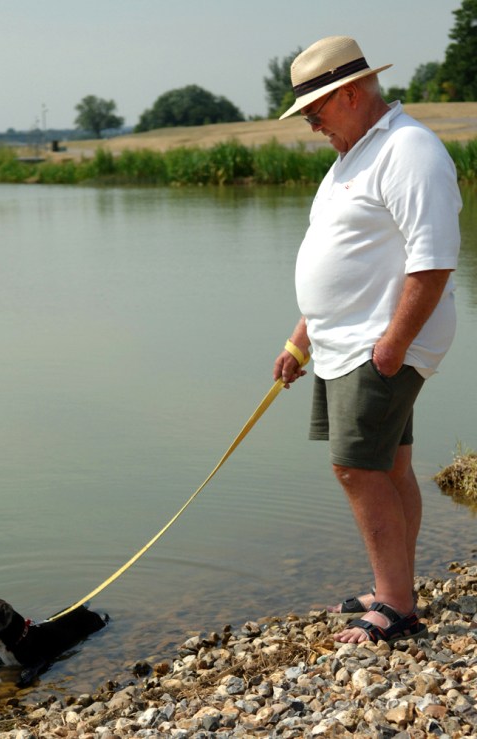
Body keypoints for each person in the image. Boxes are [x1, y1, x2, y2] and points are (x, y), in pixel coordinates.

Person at [273, 36, 461, 645]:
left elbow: (432, 262)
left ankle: (398, 608)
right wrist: (302, 341)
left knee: (356, 466)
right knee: (392, 462)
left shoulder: (410, 150)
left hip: (377, 345)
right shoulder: (354, 154)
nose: (311, 124)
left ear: (349, 94)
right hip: (342, 344)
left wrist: (392, 346)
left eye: (314, 111)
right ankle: (393, 586)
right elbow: (342, 257)